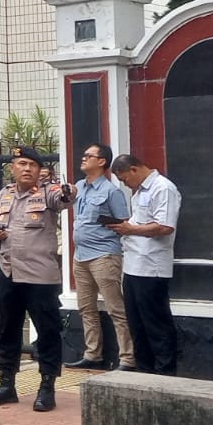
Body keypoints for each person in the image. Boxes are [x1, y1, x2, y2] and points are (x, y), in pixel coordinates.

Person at [0, 146, 69, 412]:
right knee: (7, 329)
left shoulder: (48, 192)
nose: (27, 169)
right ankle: (6, 384)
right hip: (8, 270)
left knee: (47, 331)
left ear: (39, 170)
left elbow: (63, 199)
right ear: (12, 167)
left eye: (32, 165)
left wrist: (68, 192)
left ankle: (47, 387)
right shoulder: (5, 193)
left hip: (39, 275)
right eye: (22, 164)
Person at [109, 154, 182, 375]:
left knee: (155, 322)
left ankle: (165, 372)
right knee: (136, 323)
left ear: (134, 169)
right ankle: (145, 370)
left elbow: (165, 226)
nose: (125, 184)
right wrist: (125, 227)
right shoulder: (139, 192)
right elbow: (140, 222)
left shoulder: (163, 188)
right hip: (133, 264)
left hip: (152, 266)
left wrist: (131, 230)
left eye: (124, 179)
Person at [65, 143, 133, 371]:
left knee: (116, 308)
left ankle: (128, 358)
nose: (83, 158)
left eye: (89, 156)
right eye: (83, 155)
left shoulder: (111, 191)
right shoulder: (78, 187)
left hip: (104, 255)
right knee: (86, 308)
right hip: (80, 256)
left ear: (102, 161)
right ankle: (93, 354)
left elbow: (123, 224)